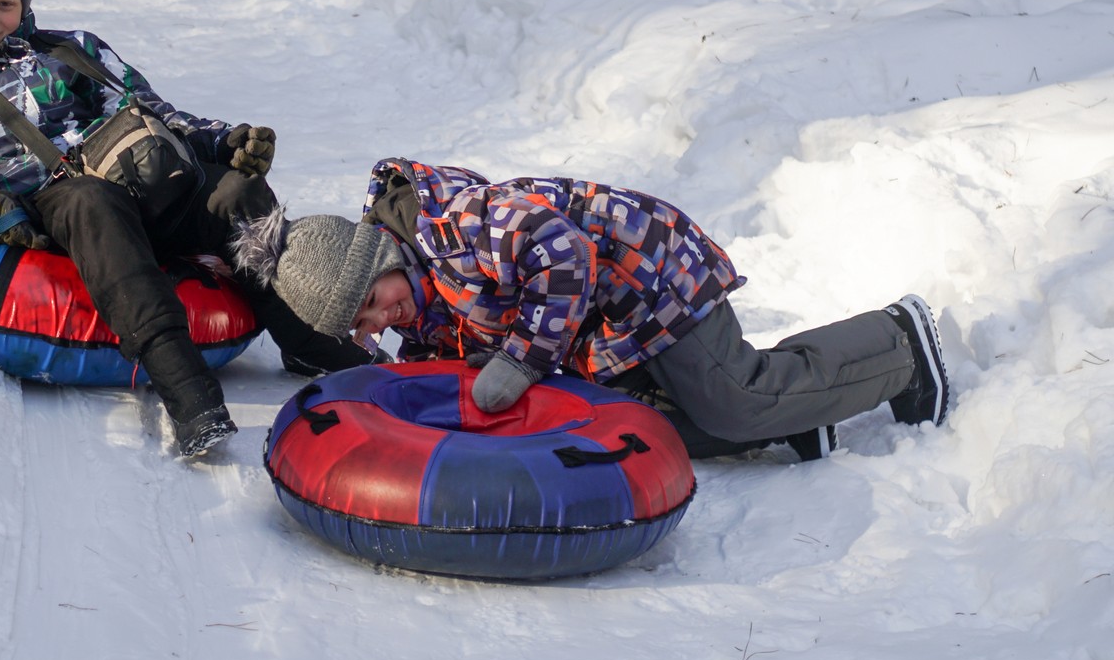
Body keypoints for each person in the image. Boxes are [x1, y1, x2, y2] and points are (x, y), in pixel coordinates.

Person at [0, 0, 367, 457]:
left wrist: (222, 142)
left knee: (237, 191)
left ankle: (306, 339)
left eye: (5, 3)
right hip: (58, 206)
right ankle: (190, 394)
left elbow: (150, 110)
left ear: (24, 5)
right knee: (90, 200)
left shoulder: (72, 49)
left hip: (139, 180)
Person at [230, 157, 951, 461]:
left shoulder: (457, 222)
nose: (376, 327)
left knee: (734, 402)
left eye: (370, 307)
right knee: (623, 432)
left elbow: (563, 252)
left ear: (379, 263)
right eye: (361, 330)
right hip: (601, 334)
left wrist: (521, 357)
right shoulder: (415, 302)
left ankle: (898, 344)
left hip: (650, 279)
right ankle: (801, 414)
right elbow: (445, 372)